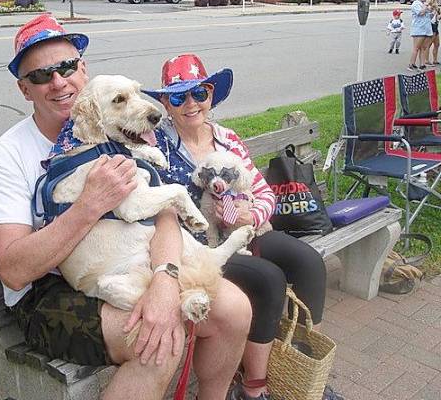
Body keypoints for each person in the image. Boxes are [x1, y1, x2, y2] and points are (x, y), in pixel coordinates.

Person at [0, 14, 253, 400]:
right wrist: (89, 205)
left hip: (132, 258)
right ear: (25, 89)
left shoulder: (115, 130)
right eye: (41, 76)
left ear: (83, 68)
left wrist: (165, 278)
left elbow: (163, 215)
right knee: (159, 340)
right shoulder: (6, 156)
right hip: (49, 292)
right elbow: (12, 270)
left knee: (236, 309)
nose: (58, 82)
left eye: (66, 67)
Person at [142, 54, 342, 400]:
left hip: (245, 232)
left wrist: (252, 215)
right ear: (165, 103)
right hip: (199, 248)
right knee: (268, 278)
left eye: (199, 93)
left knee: (309, 263)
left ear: (210, 96)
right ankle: (254, 386)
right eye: (178, 97)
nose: (190, 104)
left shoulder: (226, 138)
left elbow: (262, 192)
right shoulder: (157, 146)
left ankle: (299, 371)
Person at [408, 0, 433, 71]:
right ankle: (411, 64)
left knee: (424, 47)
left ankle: (422, 64)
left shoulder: (425, 4)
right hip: (418, 29)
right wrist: (426, 5)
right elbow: (421, 13)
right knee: (417, 47)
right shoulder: (416, 3)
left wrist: (432, 8)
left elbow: (430, 15)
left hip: (426, 29)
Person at [427, 0, 441, 65]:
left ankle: (435, 60)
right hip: (432, 25)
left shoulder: (436, 5)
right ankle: (426, 60)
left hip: (436, 24)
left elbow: (438, 17)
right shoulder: (430, 4)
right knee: (428, 44)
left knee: (437, 44)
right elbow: (431, 17)